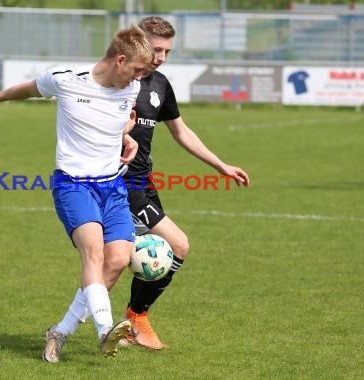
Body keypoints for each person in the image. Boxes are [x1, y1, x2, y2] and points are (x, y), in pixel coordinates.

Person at [0, 25, 154, 362]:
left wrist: (126, 136)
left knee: (117, 260)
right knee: (93, 253)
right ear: (120, 60)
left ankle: (59, 332)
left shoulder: (130, 87)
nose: (140, 77)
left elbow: (119, 120)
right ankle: (106, 330)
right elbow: (30, 88)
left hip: (113, 186)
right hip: (74, 184)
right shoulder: (66, 79)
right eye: (136, 69)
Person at [121, 16, 251, 350]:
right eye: (156, 48)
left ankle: (130, 319)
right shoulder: (117, 79)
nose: (161, 56)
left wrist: (220, 165)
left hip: (144, 182)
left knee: (134, 257)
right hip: (120, 185)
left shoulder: (160, 84)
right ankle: (134, 318)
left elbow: (180, 130)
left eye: (167, 51)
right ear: (138, 40)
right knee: (176, 246)